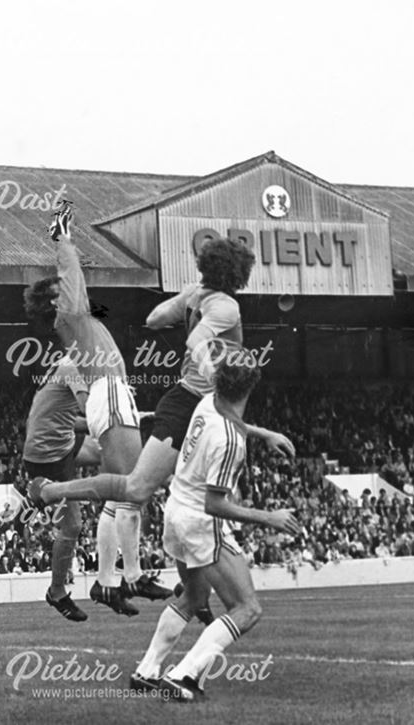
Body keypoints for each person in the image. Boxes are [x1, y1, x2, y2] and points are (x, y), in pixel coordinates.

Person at [32, 234, 294, 614]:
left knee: (158, 491)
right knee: (137, 489)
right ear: (240, 274)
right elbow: (197, 341)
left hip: (181, 400)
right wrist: (214, 368)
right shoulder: (225, 306)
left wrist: (190, 302)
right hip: (177, 398)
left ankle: (186, 591)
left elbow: (154, 319)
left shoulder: (195, 295)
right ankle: (63, 502)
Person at [21, 203, 170, 618]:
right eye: (61, 290)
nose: (70, 290)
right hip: (110, 391)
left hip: (111, 394)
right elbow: (71, 276)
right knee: (133, 489)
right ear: (55, 301)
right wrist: (63, 238)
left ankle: (108, 582)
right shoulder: (68, 313)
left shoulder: (76, 321)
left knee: (121, 495)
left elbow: (77, 281)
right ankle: (130, 572)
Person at [126, 355, 301, 701]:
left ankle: (146, 672)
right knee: (248, 609)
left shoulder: (206, 402)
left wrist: (265, 433)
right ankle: (183, 676)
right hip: (200, 521)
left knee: (193, 597)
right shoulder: (231, 443)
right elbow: (214, 504)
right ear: (252, 386)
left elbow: (232, 421)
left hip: (175, 510)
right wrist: (271, 517)